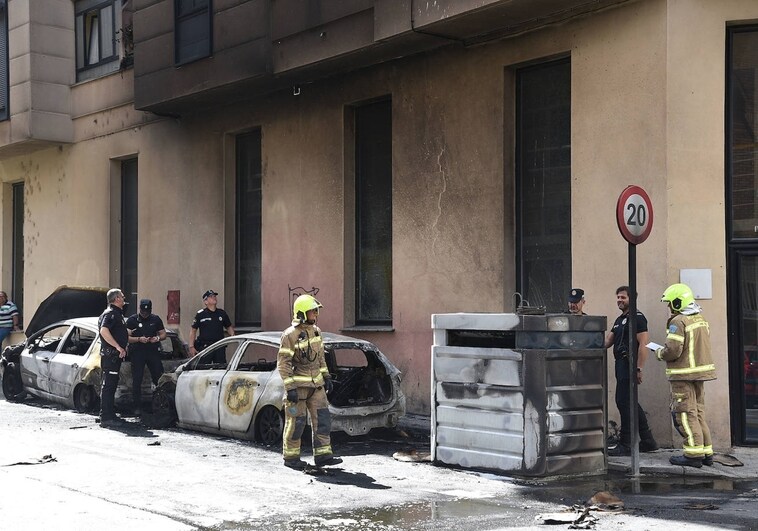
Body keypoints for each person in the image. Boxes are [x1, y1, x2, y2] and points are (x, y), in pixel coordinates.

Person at [277, 294, 342, 470]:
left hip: (317, 386)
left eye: (316, 311)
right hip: (297, 389)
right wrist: (290, 387)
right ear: (302, 313)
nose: (316, 314)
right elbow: (283, 364)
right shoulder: (290, 335)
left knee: (322, 420)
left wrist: (326, 377)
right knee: (296, 424)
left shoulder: (316, 332)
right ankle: (291, 458)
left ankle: (323, 456)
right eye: (313, 311)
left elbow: (320, 357)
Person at [655, 283, 716, 468]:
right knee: (698, 414)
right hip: (699, 374)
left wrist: (659, 352)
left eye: (670, 303)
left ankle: (693, 455)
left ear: (677, 302)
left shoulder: (678, 321)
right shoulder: (700, 319)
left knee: (686, 414)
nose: (668, 307)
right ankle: (706, 453)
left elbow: (672, 350)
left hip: (683, 376)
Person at [604, 285, 658, 455]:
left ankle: (627, 443)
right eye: (618, 297)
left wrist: (639, 368)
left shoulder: (638, 318)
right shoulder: (620, 320)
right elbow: (608, 341)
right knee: (629, 402)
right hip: (620, 364)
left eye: (623, 298)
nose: (619, 300)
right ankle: (648, 441)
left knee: (624, 402)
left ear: (631, 299)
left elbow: (644, 344)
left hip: (629, 364)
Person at [126, 299, 166, 416]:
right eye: (143, 311)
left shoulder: (155, 319)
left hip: (152, 351)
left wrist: (157, 338)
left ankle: (160, 403)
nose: (145, 313)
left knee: (158, 378)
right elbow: (126, 337)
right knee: (137, 379)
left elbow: (163, 334)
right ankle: (137, 406)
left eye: (147, 311)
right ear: (139, 309)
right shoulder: (132, 320)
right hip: (137, 352)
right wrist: (139, 339)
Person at [98, 288, 129, 428]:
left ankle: (107, 414)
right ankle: (106, 417)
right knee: (109, 386)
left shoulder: (116, 313)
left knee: (110, 386)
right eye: (122, 296)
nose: (124, 298)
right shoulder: (111, 314)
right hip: (111, 356)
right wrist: (118, 347)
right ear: (116, 299)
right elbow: (104, 331)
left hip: (112, 356)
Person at [189, 290, 234, 362]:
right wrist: (191, 346)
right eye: (211, 296)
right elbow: (193, 330)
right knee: (204, 369)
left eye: (215, 296)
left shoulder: (222, 313)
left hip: (219, 345)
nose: (214, 298)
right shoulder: (201, 314)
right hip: (205, 346)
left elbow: (228, 326)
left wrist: (233, 336)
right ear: (205, 301)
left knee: (220, 368)